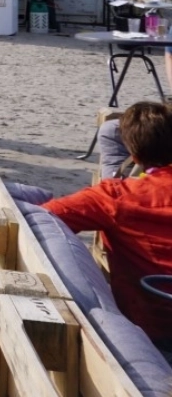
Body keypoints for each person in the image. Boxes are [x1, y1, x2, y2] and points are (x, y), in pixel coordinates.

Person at [42, 101, 172, 347]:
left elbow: (46, 216)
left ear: (133, 155)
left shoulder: (115, 197)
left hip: (152, 328)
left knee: (110, 134)